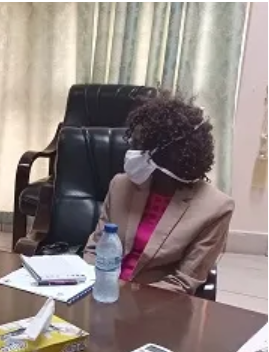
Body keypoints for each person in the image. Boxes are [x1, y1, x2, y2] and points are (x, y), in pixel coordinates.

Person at [84, 93, 234, 295]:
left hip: (154, 302)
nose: (132, 152)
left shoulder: (216, 208)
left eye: (141, 147)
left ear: (169, 156)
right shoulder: (121, 185)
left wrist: (126, 297)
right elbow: (95, 248)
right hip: (100, 291)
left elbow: (183, 282)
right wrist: (89, 288)